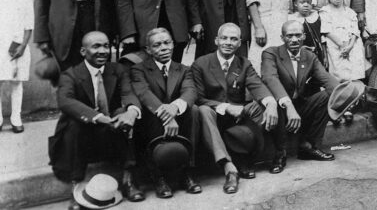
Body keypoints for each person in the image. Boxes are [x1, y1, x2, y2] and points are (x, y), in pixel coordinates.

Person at [49, 31, 143, 202]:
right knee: (74, 121)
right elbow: (65, 101)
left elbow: (128, 93)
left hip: (111, 135)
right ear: (83, 52)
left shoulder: (118, 70)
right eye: (96, 46)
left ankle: (128, 179)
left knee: (123, 116)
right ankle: (77, 185)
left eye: (106, 46)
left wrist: (131, 112)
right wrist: (98, 117)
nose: (103, 51)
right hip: (81, 138)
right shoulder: (71, 74)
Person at [261, 19, 361, 172]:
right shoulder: (271, 53)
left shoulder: (309, 56)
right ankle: (280, 153)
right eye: (289, 36)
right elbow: (270, 79)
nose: (294, 39)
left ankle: (308, 146)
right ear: (282, 38)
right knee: (278, 102)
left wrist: (345, 99)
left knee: (328, 95)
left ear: (303, 36)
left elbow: (326, 79)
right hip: (280, 108)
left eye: (298, 35)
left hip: (300, 106)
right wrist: (288, 105)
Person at [190, 23, 277, 194]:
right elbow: (198, 98)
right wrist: (225, 107)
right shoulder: (201, 63)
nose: (228, 42)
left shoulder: (243, 64)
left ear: (239, 43)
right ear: (216, 40)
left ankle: (268, 155)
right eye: (224, 38)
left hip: (236, 119)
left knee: (266, 105)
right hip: (211, 120)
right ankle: (229, 167)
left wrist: (271, 103)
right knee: (203, 110)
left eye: (233, 39)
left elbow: (257, 86)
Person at [129, 27, 202, 198]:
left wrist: (174, 109)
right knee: (148, 112)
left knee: (194, 110)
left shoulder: (183, 69)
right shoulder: (139, 69)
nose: (163, 48)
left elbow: (190, 91)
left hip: (178, 118)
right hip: (153, 119)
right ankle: (158, 176)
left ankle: (187, 172)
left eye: (167, 43)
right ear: (148, 50)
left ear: (173, 45)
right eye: (157, 45)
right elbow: (143, 94)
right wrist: (166, 115)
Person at [0, 0, 33, 133]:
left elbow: (29, 24)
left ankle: (16, 118)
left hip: (17, 42)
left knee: (16, 82)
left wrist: (22, 45)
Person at [321, 0, 366, 81]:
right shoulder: (325, 12)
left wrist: (350, 46)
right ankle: (342, 88)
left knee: (355, 64)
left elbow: (355, 31)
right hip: (336, 43)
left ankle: (355, 87)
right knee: (340, 71)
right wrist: (342, 45)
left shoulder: (350, 12)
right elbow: (327, 31)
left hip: (351, 44)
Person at [288, 0, 328, 69]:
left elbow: (322, 38)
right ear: (295, 3)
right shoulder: (292, 19)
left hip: (317, 55)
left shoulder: (317, 17)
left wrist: (325, 56)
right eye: (302, 2)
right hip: (300, 55)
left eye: (308, 2)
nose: (306, 5)